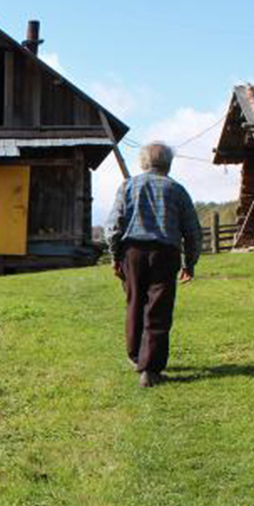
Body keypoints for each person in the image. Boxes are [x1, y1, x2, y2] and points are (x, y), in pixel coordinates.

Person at [105, 142, 201, 388]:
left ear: (143, 162)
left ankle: (137, 357)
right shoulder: (177, 190)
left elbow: (114, 225)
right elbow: (192, 231)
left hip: (133, 252)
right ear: (168, 164)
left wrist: (116, 256)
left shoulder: (128, 186)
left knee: (135, 303)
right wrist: (190, 262)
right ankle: (150, 369)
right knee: (158, 309)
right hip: (166, 253)